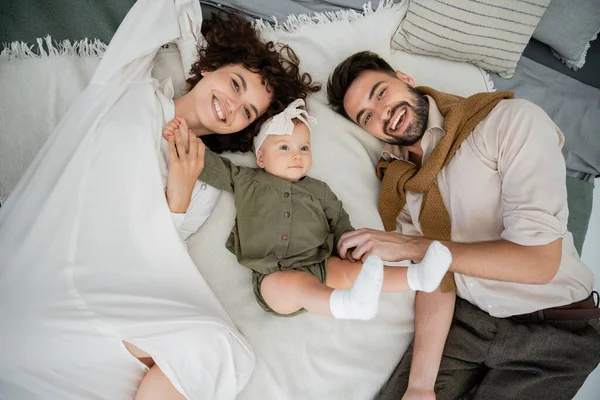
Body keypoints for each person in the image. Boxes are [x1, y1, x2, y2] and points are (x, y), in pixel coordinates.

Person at [0, 1, 319, 400]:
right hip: (36, 266)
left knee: (219, 350)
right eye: (235, 84)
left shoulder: (205, 183)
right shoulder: (128, 86)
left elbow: (151, 260)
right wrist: (193, 46)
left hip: (102, 297)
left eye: (248, 112)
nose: (233, 106)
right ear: (209, 67)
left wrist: (178, 196)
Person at [326, 51, 600, 400]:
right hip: (469, 321)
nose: (383, 114)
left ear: (405, 78)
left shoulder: (508, 121)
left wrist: (414, 247)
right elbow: (438, 281)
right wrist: (419, 386)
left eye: (380, 93)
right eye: (367, 117)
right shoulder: (402, 185)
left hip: (558, 330)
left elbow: (539, 262)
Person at [162, 99, 453, 321]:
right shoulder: (245, 179)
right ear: (261, 157)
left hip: (320, 263)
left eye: (304, 149)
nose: (297, 157)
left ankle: (418, 279)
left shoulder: (319, 189)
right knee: (294, 284)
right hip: (272, 275)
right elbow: (208, 165)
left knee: (355, 271)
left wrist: (350, 245)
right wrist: (182, 137)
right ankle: (343, 304)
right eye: (285, 148)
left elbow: (339, 221)